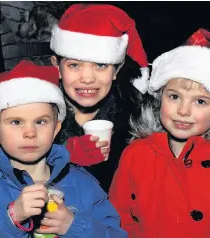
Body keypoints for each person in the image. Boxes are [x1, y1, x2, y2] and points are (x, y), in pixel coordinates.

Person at [109, 28, 210, 237]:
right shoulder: (136, 154)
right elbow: (116, 221)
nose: (184, 110)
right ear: (160, 98)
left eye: (200, 101)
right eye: (174, 97)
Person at [0, 60, 126, 237]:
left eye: (40, 122)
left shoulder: (83, 184)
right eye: (16, 122)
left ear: (56, 129)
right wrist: (12, 217)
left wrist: (74, 225)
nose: (30, 133)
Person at [49, 4, 149, 192]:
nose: (87, 78)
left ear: (116, 70)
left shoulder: (135, 122)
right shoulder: (37, 112)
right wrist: (61, 156)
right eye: (74, 65)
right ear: (57, 67)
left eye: (101, 65)